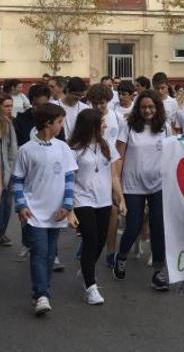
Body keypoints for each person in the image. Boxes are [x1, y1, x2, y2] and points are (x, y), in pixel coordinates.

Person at [12, 103, 77, 315]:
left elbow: (69, 177)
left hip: (56, 211)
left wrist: (67, 205)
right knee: (39, 252)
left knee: (50, 254)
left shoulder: (63, 148)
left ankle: (43, 289)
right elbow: (18, 180)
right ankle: (41, 294)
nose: (61, 126)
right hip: (34, 213)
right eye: (59, 122)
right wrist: (21, 205)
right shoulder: (26, 150)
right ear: (48, 123)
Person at [112, 90, 171, 290]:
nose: (148, 110)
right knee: (134, 225)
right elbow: (118, 157)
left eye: (152, 107)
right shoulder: (127, 126)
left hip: (159, 184)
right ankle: (121, 256)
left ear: (158, 108)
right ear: (138, 108)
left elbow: (174, 154)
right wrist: (116, 186)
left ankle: (158, 272)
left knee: (158, 226)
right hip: (132, 184)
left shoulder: (165, 128)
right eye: (144, 107)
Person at [67, 108, 125, 305]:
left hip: (104, 201)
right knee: (90, 239)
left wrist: (120, 198)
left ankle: (86, 267)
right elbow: (69, 179)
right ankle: (90, 286)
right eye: (101, 123)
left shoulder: (106, 144)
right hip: (82, 200)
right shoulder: (74, 148)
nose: (105, 125)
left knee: (100, 240)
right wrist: (70, 209)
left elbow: (114, 175)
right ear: (91, 125)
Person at [0, 93, 19, 247]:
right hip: (4, 171)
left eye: (11, 105)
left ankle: (1, 233)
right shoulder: (2, 124)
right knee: (4, 205)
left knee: (7, 205)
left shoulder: (8, 122)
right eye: (6, 106)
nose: (9, 109)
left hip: (10, 170)